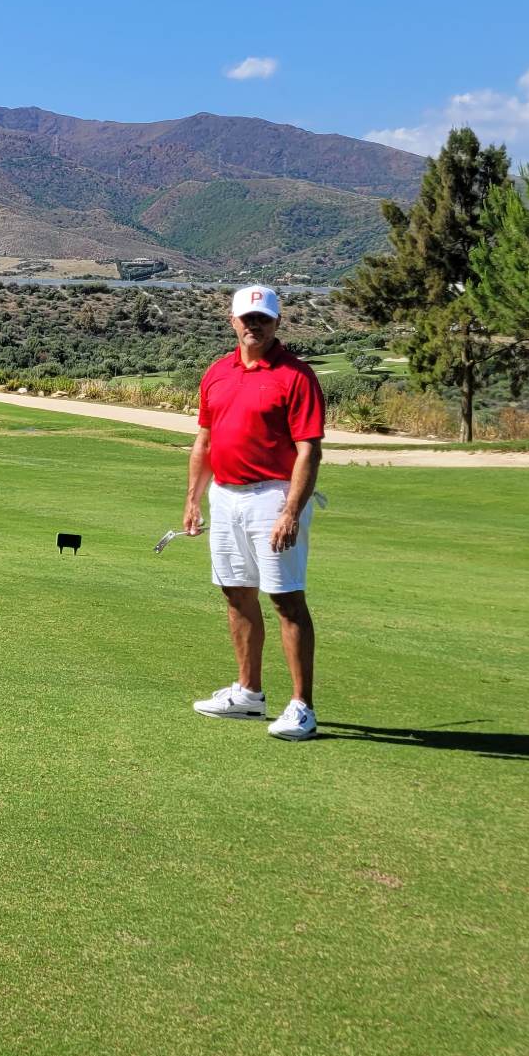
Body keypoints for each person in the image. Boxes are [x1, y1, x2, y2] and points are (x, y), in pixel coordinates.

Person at [182, 285, 326, 740]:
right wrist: (193, 498)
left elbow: (309, 451)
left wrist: (291, 510)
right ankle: (248, 694)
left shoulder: (296, 376)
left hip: (273, 496)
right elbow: (205, 440)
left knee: (286, 598)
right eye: (247, 318)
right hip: (225, 495)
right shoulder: (217, 373)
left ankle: (302, 706)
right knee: (235, 591)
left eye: (263, 318)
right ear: (233, 321)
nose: (254, 325)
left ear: (277, 322)